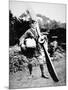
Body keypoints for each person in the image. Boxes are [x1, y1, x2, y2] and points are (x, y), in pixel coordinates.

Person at [19, 11, 48, 79]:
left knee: (41, 62)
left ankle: (43, 74)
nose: (35, 25)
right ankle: (31, 74)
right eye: (33, 24)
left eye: (35, 24)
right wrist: (22, 44)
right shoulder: (28, 31)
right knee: (30, 62)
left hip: (38, 49)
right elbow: (22, 38)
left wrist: (43, 36)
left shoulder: (37, 31)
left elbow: (40, 37)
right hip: (31, 49)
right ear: (30, 24)